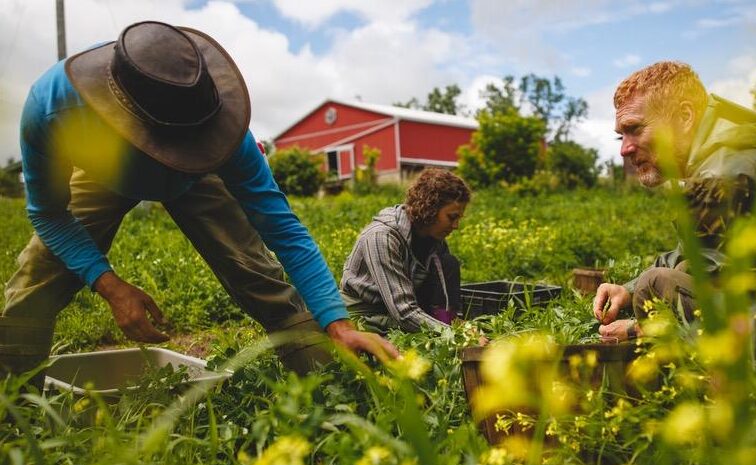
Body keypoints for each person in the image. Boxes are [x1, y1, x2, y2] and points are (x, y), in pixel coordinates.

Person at [1, 21, 398, 383]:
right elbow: (49, 216)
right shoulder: (53, 108)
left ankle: (332, 383)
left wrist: (339, 323)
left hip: (201, 173)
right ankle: (16, 407)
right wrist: (110, 286)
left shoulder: (224, 137)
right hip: (105, 171)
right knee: (38, 276)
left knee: (258, 276)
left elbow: (283, 228)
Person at [593, 60, 756, 342]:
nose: (625, 149)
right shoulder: (723, 154)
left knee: (656, 284)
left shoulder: (723, 171)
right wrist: (626, 290)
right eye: (621, 136)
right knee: (676, 271)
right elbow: (698, 252)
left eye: (636, 129)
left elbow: (750, 302)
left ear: (685, 116)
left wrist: (638, 328)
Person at [340, 168, 470, 334]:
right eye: (452, 217)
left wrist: (454, 324)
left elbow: (438, 297)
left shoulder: (434, 241)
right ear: (430, 208)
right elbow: (404, 313)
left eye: (459, 218)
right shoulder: (382, 237)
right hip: (366, 315)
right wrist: (458, 336)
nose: (456, 226)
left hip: (400, 309)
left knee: (448, 263)